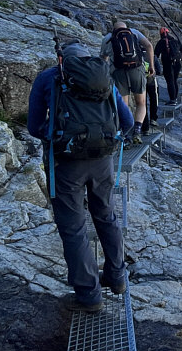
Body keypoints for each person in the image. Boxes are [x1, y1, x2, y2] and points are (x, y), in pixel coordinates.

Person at [27, 41, 134, 312]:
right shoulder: (103, 79)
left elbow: (33, 126)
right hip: (103, 160)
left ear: (63, 59)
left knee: (74, 227)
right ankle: (118, 277)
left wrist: (58, 138)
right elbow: (128, 121)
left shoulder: (49, 77)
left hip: (66, 164)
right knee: (106, 216)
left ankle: (89, 294)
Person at [100, 21, 155, 138]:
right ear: (126, 28)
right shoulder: (134, 33)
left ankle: (126, 135)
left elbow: (103, 59)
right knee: (141, 103)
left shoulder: (108, 38)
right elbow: (149, 46)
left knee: (124, 106)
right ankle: (137, 130)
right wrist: (151, 66)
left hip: (118, 72)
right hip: (137, 70)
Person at [155, 27, 182, 104]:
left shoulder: (161, 42)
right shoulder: (175, 41)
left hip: (167, 63)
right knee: (175, 80)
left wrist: (156, 67)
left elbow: (155, 55)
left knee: (170, 81)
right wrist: (180, 59)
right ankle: (175, 98)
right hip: (177, 63)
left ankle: (172, 100)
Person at [141, 54, 163, 134]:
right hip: (152, 82)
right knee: (154, 99)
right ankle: (153, 119)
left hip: (140, 82)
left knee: (142, 103)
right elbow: (159, 71)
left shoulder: (137, 55)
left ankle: (144, 125)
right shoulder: (153, 56)